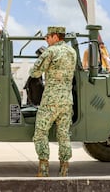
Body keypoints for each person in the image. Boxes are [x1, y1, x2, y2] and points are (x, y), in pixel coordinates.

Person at [30, 26, 77, 177]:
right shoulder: (72, 52)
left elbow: (34, 72)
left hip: (50, 100)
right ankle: (64, 169)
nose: (46, 39)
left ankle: (44, 169)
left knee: (40, 133)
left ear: (56, 37)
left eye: (48, 36)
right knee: (64, 135)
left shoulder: (50, 51)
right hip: (66, 101)